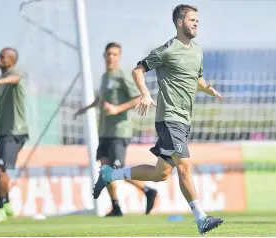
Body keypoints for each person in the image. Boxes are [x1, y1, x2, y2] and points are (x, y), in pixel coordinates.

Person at [93, 5, 224, 235]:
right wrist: (145, 93)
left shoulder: (198, 51)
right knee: (185, 167)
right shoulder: (168, 49)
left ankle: (110, 174)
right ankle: (201, 218)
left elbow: (198, 79)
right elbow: (137, 70)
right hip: (169, 117)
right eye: (192, 20)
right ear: (179, 22)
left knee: (159, 174)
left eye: (197, 20)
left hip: (184, 120)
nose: (196, 24)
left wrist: (209, 89)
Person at [75, 42, 158, 216]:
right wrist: (87, 108)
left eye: (114, 54)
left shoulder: (122, 76)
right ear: (104, 56)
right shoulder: (105, 76)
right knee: (106, 171)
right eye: (108, 54)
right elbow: (102, 99)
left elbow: (138, 98)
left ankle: (148, 190)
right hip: (105, 132)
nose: (111, 57)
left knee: (116, 170)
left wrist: (117, 109)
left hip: (119, 131)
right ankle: (116, 207)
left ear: (118, 57)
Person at [0, 47, 29, 223]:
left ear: (11, 61)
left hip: (15, 131)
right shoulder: (3, 77)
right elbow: (2, 81)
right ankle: (7, 206)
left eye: (3, 57)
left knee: (1, 169)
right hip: (6, 131)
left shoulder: (15, 73)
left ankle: (1, 209)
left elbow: (14, 79)